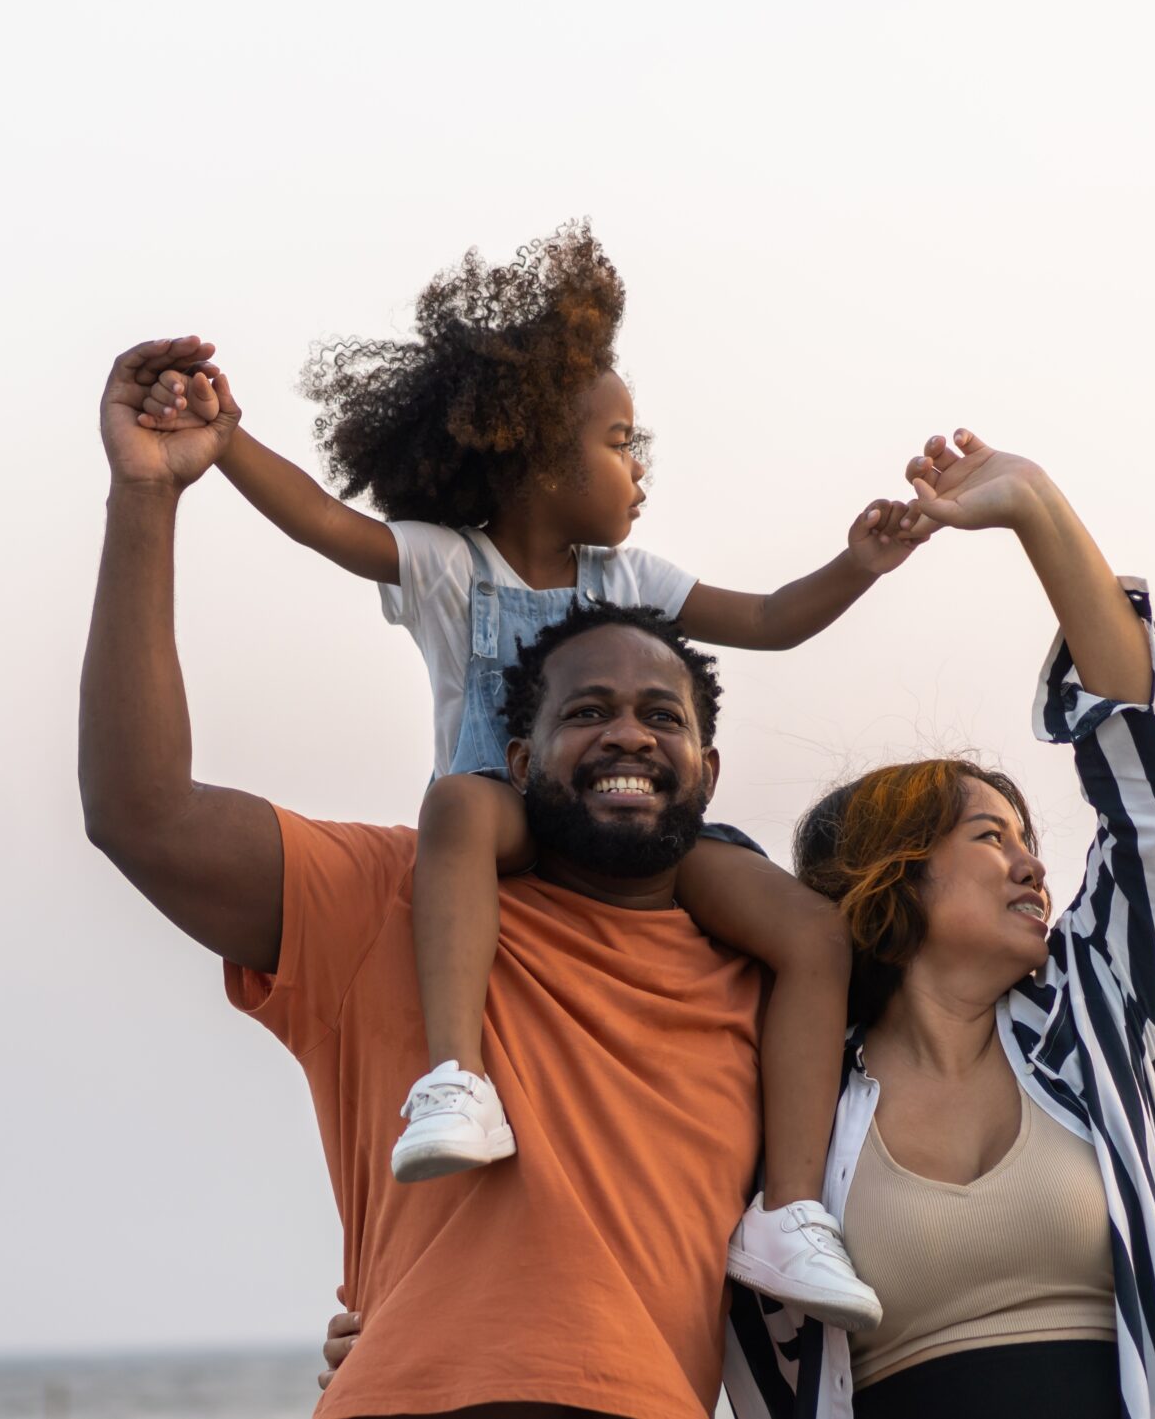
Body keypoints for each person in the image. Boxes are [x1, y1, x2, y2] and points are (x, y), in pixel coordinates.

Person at [326, 433, 1155, 1419]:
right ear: (898, 871)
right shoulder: (783, 1081)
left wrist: (1037, 509)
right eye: (987, 834)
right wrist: (404, 1315)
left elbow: (1151, 801)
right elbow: (608, 1205)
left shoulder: (1093, 1018)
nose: (1030, 863)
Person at [128, 224, 914, 1326]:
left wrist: (860, 563)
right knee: (455, 804)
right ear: (541, 454)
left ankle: (787, 1212)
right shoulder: (452, 567)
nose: (640, 470)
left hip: (635, 831)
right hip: (507, 812)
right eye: (620, 442)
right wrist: (226, 439)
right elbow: (320, 521)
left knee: (808, 934)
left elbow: (771, 621)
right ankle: (455, 1080)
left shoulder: (630, 574)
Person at [84, 336, 773, 1419]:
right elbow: (142, 813)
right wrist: (146, 497)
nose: (626, 738)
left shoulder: (762, 963)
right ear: (514, 754)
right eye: (583, 712)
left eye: (661, 714)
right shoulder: (387, 901)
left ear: (711, 768)